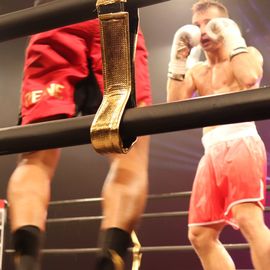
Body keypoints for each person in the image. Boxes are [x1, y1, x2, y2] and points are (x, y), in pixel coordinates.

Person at [7, 1, 151, 270]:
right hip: (112, 14)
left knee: (35, 160)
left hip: (53, 14)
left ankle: (26, 263)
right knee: (130, 158)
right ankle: (109, 264)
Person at [167, 0, 270, 269]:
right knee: (200, 235)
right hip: (209, 152)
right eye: (197, 25)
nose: (202, 31)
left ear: (225, 25)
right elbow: (174, 106)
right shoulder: (197, 71)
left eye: (210, 24)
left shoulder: (248, 53)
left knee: (249, 221)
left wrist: (232, 35)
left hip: (241, 143)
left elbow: (248, 78)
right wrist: (178, 56)